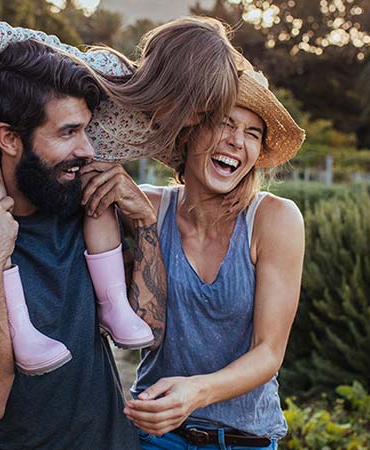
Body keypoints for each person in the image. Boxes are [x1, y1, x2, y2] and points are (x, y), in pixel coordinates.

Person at [0, 40, 167, 449]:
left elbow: (153, 326)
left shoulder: (84, 207)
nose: (88, 150)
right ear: (9, 139)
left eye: (86, 129)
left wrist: (145, 222)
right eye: (68, 133)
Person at [0, 17, 244, 371]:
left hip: (70, 160)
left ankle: (113, 303)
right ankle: (19, 327)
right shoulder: (109, 72)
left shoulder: (165, 128)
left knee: (101, 196)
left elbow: (197, 159)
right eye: (195, 108)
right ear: (170, 85)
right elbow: (50, 48)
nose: (195, 120)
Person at [105, 68, 306, 449]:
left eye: (252, 133)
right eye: (224, 124)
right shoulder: (145, 207)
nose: (236, 142)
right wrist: (8, 38)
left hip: (245, 440)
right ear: (190, 130)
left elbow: (268, 351)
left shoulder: (274, 220)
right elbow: (89, 124)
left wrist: (197, 392)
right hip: (154, 435)